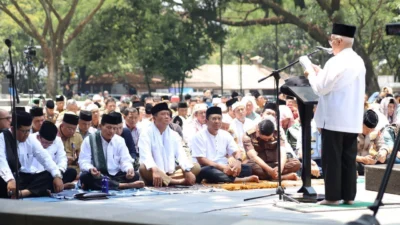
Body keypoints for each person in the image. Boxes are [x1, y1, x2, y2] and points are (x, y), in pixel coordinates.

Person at [306, 23, 365, 205]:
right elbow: (339, 84)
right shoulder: (358, 60)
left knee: (332, 159)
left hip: (334, 118)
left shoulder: (335, 61)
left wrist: (310, 73)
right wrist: (321, 73)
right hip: (351, 119)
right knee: (348, 159)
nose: (330, 43)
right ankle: (348, 196)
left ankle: (332, 197)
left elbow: (320, 88)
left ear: (338, 40)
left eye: (332, 40)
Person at [0, 111, 63, 198]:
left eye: (28, 130)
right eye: (23, 131)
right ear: (13, 128)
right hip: (9, 179)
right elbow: (1, 161)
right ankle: (37, 191)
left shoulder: (30, 139)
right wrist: (10, 179)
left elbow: (44, 157)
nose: (26, 134)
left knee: (50, 175)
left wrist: (57, 176)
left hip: (25, 178)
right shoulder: (2, 138)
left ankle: (24, 193)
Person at [139, 102, 200, 187]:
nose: (167, 116)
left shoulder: (173, 134)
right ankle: (178, 182)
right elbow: (146, 156)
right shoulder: (146, 133)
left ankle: (165, 180)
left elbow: (181, 153)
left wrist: (186, 170)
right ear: (154, 118)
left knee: (196, 167)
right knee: (143, 168)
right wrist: (155, 170)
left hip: (171, 171)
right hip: (154, 171)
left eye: (168, 114)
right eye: (163, 114)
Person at [192, 107, 259, 183]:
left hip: (224, 165)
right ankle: (240, 180)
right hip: (208, 167)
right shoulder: (198, 136)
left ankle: (225, 178)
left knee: (247, 169)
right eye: (214, 119)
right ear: (206, 121)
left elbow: (236, 151)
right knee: (209, 172)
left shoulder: (225, 134)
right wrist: (222, 167)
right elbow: (201, 160)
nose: (217, 121)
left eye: (219, 118)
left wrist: (238, 162)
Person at [79, 113, 144, 190]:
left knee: (135, 175)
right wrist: (90, 168)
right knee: (85, 176)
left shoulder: (119, 140)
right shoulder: (89, 140)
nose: (112, 131)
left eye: (114, 128)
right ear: (100, 126)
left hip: (115, 175)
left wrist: (129, 169)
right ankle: (125, 186)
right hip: (98, 175)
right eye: (109, 127)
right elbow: (83, 161)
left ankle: (109, 184)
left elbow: (125, 160)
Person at [33, 121, 77, 189]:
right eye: (44, 142)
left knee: (71, 172)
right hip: (35, 175)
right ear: (39, 137)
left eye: (49, 144)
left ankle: (52, 186)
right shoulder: (31, 140)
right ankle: (55, 187)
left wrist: (58, 174)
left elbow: (62, 159)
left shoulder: (58, 141)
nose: (46, 145)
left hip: (53, 174)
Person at [356, 110, 389, 175]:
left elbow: (382, 144)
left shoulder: (375, 131)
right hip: (357, 161)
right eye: (366, 129)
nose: (369, 132)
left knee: (389, 159)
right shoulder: (352, 131)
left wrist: (383, 152)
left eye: (371, 130)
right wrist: (362, 159)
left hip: (369, 162)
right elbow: (345, 153)